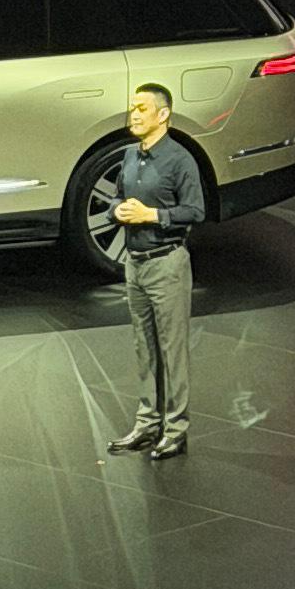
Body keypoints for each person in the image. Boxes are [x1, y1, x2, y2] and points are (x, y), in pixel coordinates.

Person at [102, 82, 204, 460]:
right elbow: (116, 196)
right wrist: (116, 211)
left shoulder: (180, 160)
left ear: (163, 115)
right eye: (133, 107)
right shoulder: (130, 155)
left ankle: (175, 430)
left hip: (167, 264)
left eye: (142, 108)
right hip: (136, 265)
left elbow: (196, 210)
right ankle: (147, 424)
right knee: (144, 348)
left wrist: (153, 215)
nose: (134, 114)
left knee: (172, 350)